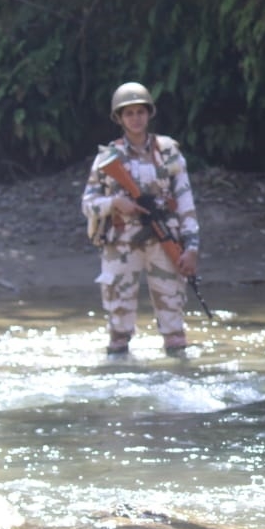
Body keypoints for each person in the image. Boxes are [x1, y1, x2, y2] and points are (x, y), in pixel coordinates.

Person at [82, 82, 200, 356]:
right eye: (129, 113)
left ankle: (177, 372)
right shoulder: (107, 159)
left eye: (140, 112)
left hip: (163, 239)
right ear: (119, 119)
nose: (136, 118)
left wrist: (191, 247)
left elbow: (185, 202)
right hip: (121, 242)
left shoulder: (169, 152)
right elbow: (88, 204)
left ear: (149, 114)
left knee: (174, 325)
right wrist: (116, 203)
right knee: (118, 329)